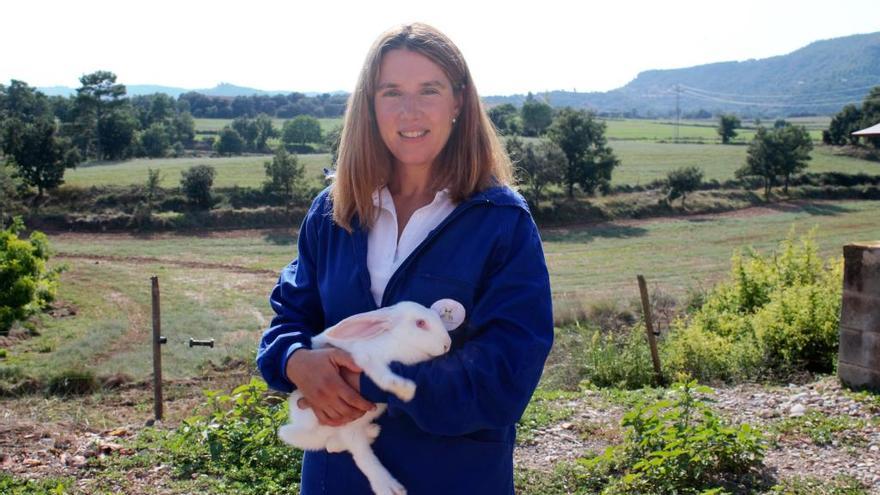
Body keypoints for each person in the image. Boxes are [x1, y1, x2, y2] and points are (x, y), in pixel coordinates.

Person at [257, 22, 553, 495]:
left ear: (458, 101)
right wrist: (294, 360)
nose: (409, 111)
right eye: (391, 92)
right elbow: (290, 319)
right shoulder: (333, 212)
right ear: (369, 106)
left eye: (429, 90)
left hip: (455, 479)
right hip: (338, 480)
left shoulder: (501, 222)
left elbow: (504, 379)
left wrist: (371, 379)